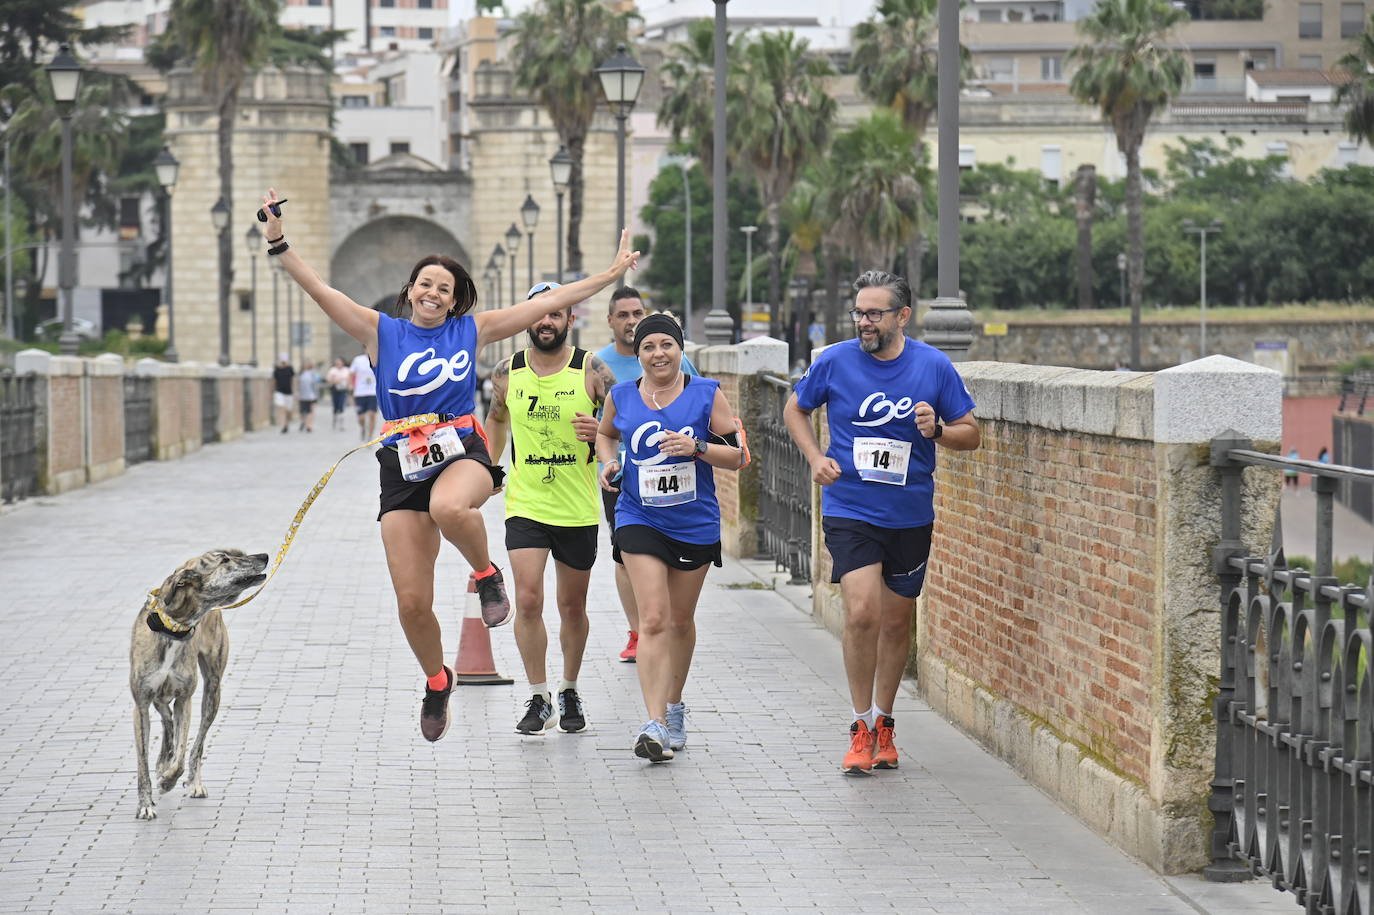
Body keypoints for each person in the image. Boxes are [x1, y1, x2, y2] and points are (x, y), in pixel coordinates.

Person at [259, 187, 639, 742]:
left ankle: (486, 575)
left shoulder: (473, 329)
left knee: (449, 505)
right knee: (412, 602)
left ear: (457, 299)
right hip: (401, 464)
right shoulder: (378, 331)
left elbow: (546, 304)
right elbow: (318, 287)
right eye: (426, 284)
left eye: (446, 287)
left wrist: (610, 274)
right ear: (410, 290)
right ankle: (438, 680)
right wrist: (278, 240)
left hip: (462, 451)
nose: (434, 293)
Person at [783, 270, 980, 776]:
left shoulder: (934, 367)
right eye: (859, 312)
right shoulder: (834, 361)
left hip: (910, 512)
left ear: (902, 316)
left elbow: (971, 433)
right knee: (862, 611)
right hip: (850, 508)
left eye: (874, 314)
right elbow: (794, 409)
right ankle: (859, 725)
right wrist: (814, 457)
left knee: (896, 620)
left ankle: (886, 721)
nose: (864, 322)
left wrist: (936, 428)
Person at [595, 313, 745, 762]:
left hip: (694, 522)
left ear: (681, 350)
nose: (658, 353)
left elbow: (739, 456)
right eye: (648, 347)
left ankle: (675, 706)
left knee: (680, 622)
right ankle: (654, 722)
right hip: (639, 515)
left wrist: (696, 447)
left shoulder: (706, 393)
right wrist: (609, 462)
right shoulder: (621, 395)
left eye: (666, 345)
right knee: (654, 619)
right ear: (637, 354)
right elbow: (605, 436)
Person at [484, 282, 618, 736]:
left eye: (556, 314)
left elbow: (625, 423)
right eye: (539, 313)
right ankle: (538, 694)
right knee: (527, 598)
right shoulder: (507, 372)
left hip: (577, 506)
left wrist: (600, 430)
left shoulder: (592, 371)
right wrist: (489, 468)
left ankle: (569, 687)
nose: (546, 322)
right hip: (526, 501)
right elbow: (497, 419)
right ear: (527, 318)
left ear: (569, 320)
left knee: (571, 606)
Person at [593, 287, 700, 664]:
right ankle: (640, 630)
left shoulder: (674, 359)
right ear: (610, 321)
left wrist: (698, 446)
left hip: (677, 474)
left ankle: (663, 623)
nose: (631, 320)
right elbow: (601, 424)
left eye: (636, 312)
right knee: (625, 555)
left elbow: (701, 406)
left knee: (669, 559)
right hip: (624, 476)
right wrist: (603, 448)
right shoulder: (598, 363)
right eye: (622, 314)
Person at [351, 350, 378, 442]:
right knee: (361, 418)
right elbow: (351, 374)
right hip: (360, 392)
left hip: (373, 392)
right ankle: (363, 428)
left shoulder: (378, 358)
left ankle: (370, 437)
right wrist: (351, 385)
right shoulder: (358, 360)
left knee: (372, 415)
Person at [326, 357, 351, 431]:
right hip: (335, 389)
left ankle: (341, 423)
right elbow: (328, 379)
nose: (338, 364)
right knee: (335, 405)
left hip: (343, 389)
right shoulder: (333, 370)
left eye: (340, 362)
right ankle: (335, 419)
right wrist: (334, 380)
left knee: (341, 405)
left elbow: (349, 379)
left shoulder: (346, 370)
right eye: (337, 363)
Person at [272, 353, 295, 434]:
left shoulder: (290, 369)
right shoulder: (276, 369)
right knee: (281, 407)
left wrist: (295, 391)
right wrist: (273, 391)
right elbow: (274, 381)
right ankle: (283, 425)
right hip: (279, 391)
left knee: (288, 410)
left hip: (288, 392)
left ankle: (286, 423)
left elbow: (293, 380)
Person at [297, 359, 321, 433]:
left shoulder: (313, 374)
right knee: (302, 412)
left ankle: (309, 425)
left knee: (311, 411)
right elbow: (298, 385)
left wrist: (316, 395)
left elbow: (315, 385)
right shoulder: (301, 373)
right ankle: (304, 422)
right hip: (302, 396)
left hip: (311, 396)